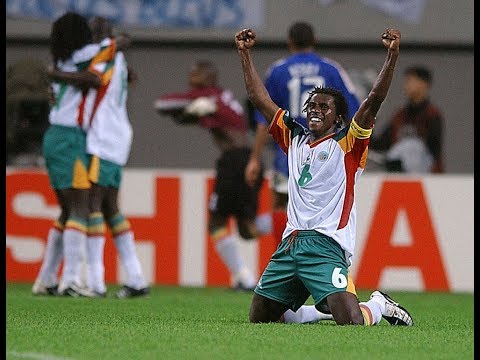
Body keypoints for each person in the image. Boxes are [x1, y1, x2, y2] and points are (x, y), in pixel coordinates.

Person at [235, 27, 414, 326]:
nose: (315, 111)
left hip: (326, 245)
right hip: (290, 243)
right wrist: (244, 53)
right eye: (311, 107)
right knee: (261, 318)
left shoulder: (349, 144)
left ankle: (379, 305)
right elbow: (258, 97)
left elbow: (373, 100)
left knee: (352, 321)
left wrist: (391, 56)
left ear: (338, 116)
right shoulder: (293, 138)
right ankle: (312, 312)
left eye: (324, 107)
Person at [154, 60, 271, 291]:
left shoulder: (208, 96)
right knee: (247, 230)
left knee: (217, 222)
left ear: (210, 76)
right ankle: (284, 221)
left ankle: (245, 279)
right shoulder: (221, 96)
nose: (191, 74)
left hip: (235, 162)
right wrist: (187, 113)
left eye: (197, 72)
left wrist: (184, 107)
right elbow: (191, 116)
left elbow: (164, 104)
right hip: (248, 158)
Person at [245, 21, 360, 245]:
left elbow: (263, 119)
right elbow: (352, 111)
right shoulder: (331, 69)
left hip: (289, 151)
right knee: (323, 206)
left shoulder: (278, 70)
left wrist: (255, 159)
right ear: (314, 41)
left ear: (289, 43)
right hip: (327, 151)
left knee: (280, 204)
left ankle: (286, 256)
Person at [32, 11, 117, 297]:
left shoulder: (59, 60)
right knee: (80, 208)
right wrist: (117, 42)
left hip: (57, 136)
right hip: (70, 138)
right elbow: (107, 55)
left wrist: (54, 75)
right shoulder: (85, 56)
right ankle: (69, 280)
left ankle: (45, 278)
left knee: (68, 210)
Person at [84, 16, 149, 298]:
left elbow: (90, 78)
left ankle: (95, 282)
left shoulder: (102, 56)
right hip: (118, 136)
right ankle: (136, 279)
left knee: (92, 206)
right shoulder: (119, 60)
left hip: (102, 137)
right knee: (111, 207)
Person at [369, 65, 444, 173]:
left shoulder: (432, 115)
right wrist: (369, 119)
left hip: (426, 177)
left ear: (423, 84)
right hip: (400, 176)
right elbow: (381, 144)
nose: (406, 86)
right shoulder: (400, 115)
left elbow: (434, 151)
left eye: (410, 81)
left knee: (413, 146)